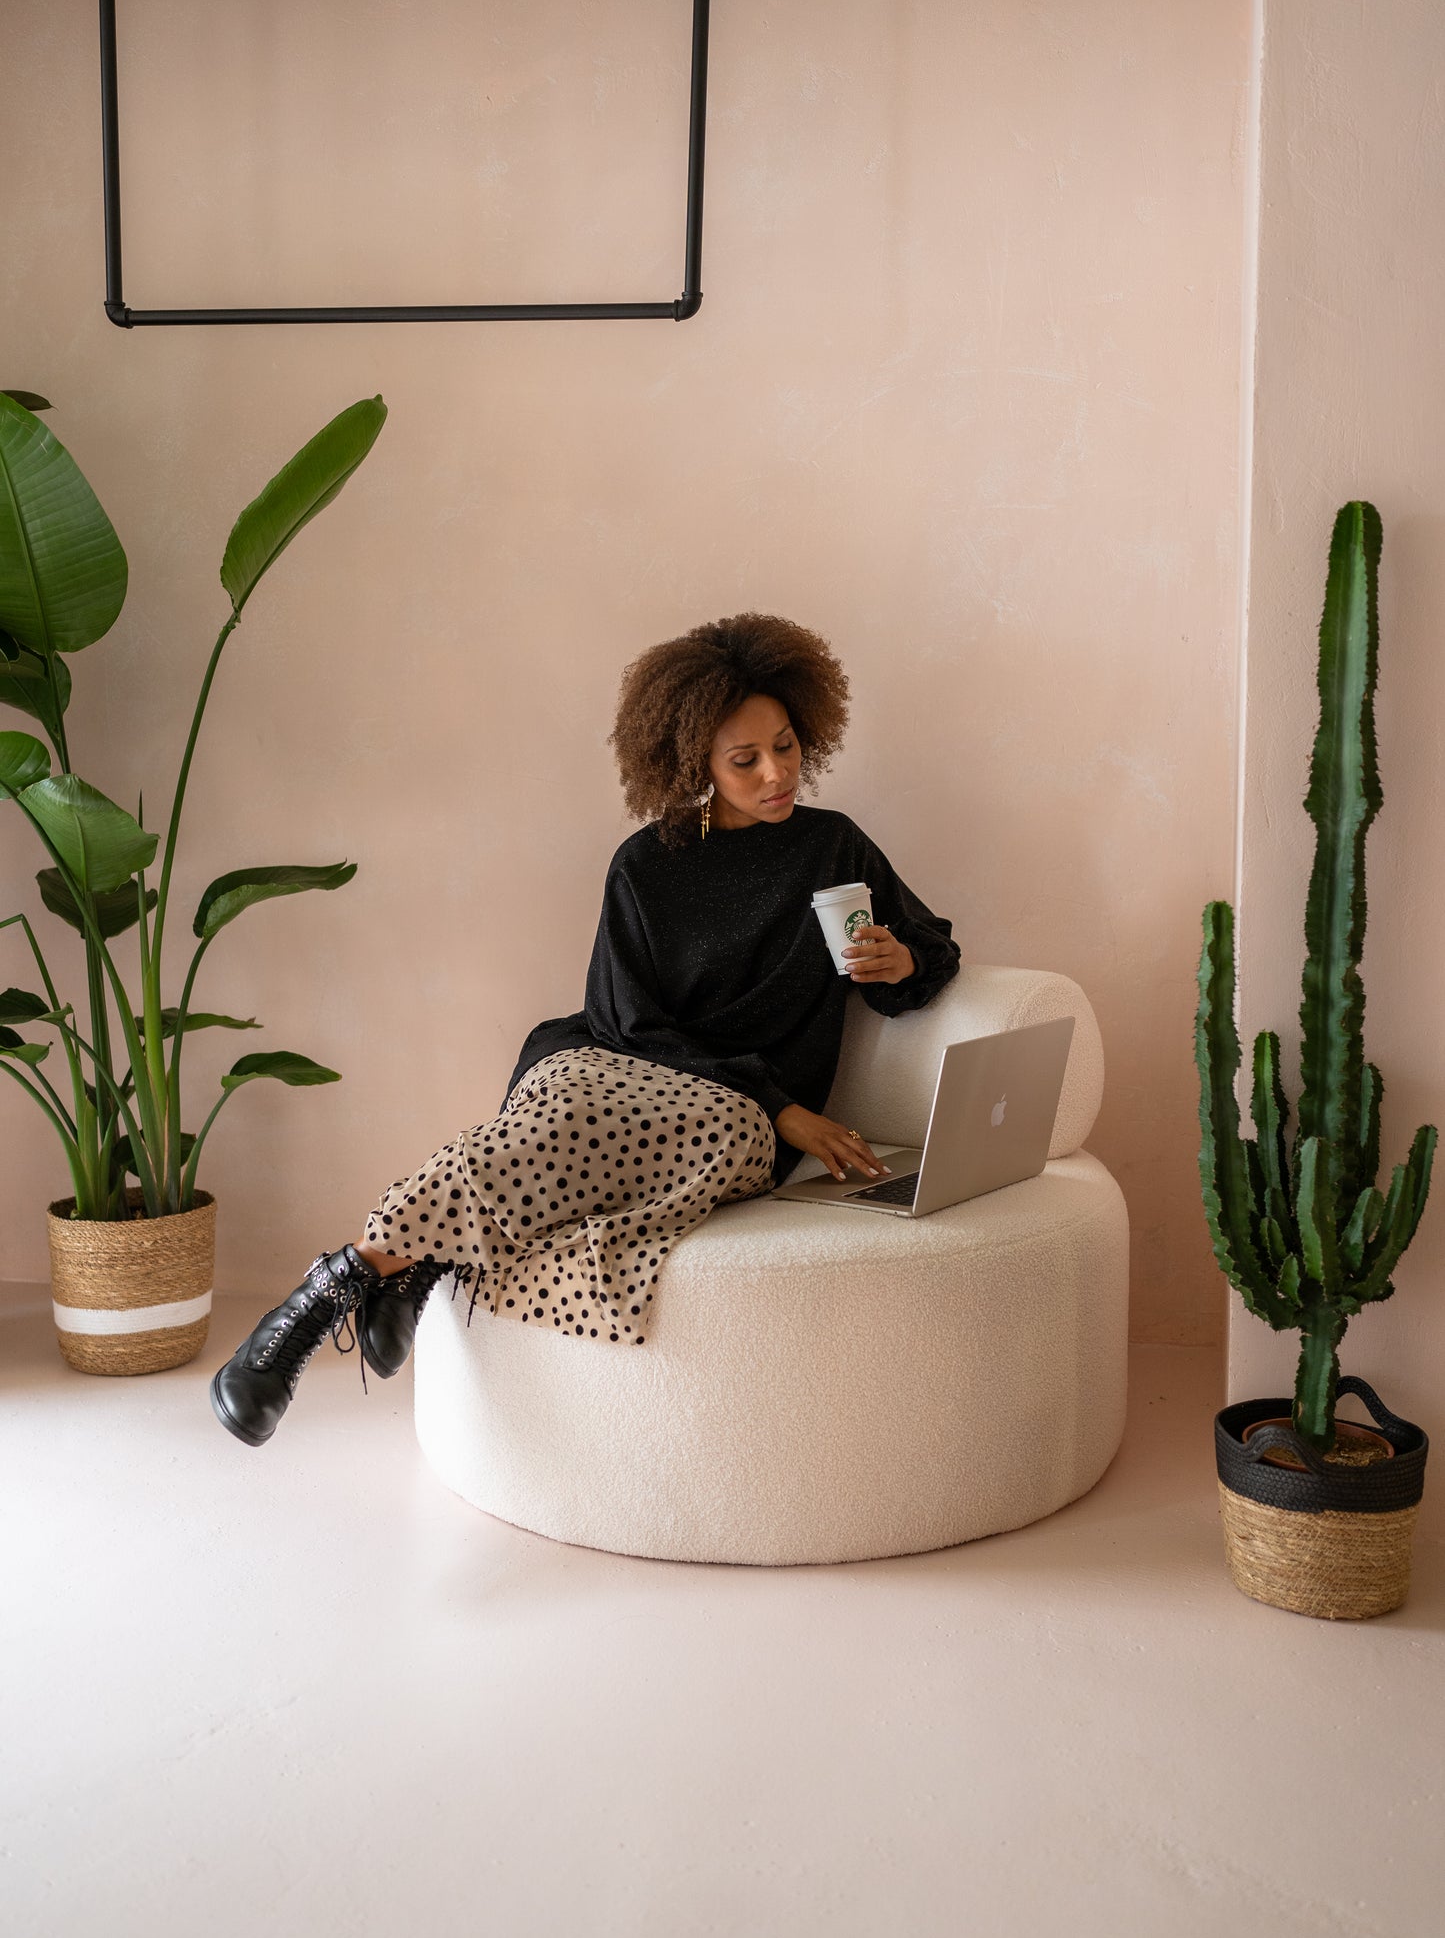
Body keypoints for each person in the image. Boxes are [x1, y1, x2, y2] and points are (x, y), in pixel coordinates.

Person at [210, 612, 960, 1446]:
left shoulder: (834, 848)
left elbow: (928, 951)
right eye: (744, 760)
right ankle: (355, 1283)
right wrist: (787, 1107)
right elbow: (627, 1022)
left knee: (619, 1131)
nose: (776, 773)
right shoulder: (646, 865)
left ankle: (347, 1286)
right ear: (695, 765)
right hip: (617, 1063)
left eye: (784, 746)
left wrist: (901, 965)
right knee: (560, 1114)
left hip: (732, 1120)